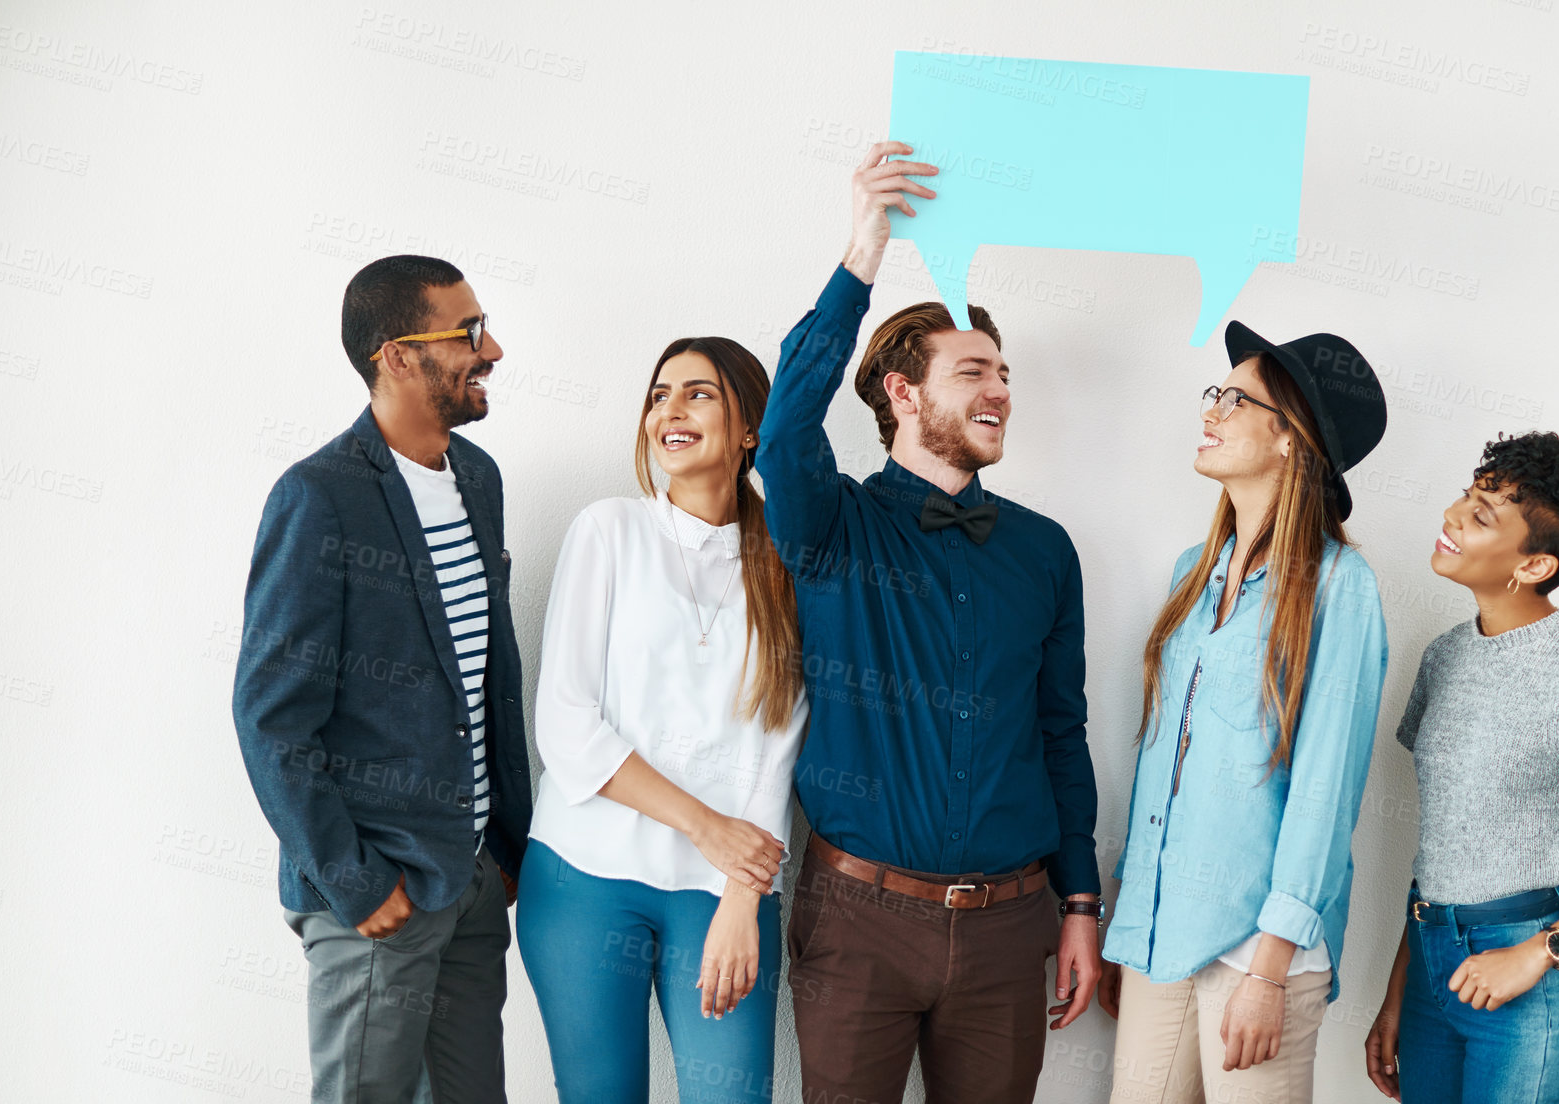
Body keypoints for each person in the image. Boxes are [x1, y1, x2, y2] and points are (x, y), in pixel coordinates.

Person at [755, 140, 1102, 1104]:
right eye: (971, 372)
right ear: (903, 395)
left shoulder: (1044, 551)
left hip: (1008, 926)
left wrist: (1080, 903)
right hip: (855, 916)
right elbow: (783, 429)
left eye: (1003, 373)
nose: (998, 390)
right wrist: (864, 247)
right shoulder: (830, 525)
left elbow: (1060, 735)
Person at [233, 254, 532, 1103]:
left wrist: (502, 847)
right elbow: (270, 719)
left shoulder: (478, 479)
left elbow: (483, 676)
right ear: (398, 355)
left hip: (473, 882)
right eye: (468, 332)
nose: (494, 349)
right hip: (378, 896)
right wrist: (359, 883)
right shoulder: (319, 497)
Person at [1100, 322, 1391, 1103]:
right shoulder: (1190, 574)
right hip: (1158, 934)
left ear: (1290, 439)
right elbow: (1161, 762)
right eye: (1215, 394)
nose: (1212, 410)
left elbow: (1325, 789)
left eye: (1235, 398)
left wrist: (1268, 971)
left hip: (1258, 952)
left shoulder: (1339, 587)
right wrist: (1130, 924)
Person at [516, 336, 807, 1104]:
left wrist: (743, 895)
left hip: (722, 891)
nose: (669, 411)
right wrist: (707, 826)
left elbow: (781, 746)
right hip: (582, 877)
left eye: (698, 394)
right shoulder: (608, 530)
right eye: (658, 395)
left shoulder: (786, 560)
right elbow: (567, 726)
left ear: (750, 429)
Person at [1363, 431, 1559, 1104]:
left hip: (1528, 980)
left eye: (1481, 516)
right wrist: (1398, 994)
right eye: (1467, 496)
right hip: (1430, 970)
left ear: (1533, 566)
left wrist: (1538, 954)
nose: (1451, 515)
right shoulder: (1444, 657)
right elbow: (1440, 848)